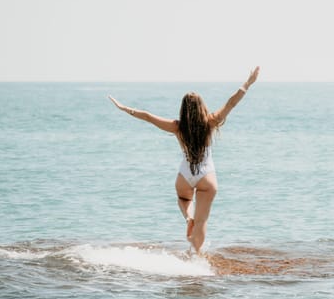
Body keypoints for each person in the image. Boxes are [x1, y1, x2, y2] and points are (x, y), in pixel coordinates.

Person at [108, 66, 260, 255]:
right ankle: (196, 256)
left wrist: (124, 108)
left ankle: (188, 217)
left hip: (185, 175)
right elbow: (231, 103)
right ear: (201, 107)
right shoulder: (211, 122)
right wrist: (248, 83)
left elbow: (147, 116)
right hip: (207, 176)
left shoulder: (177, 127)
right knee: (202, 221)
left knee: (184, 198)